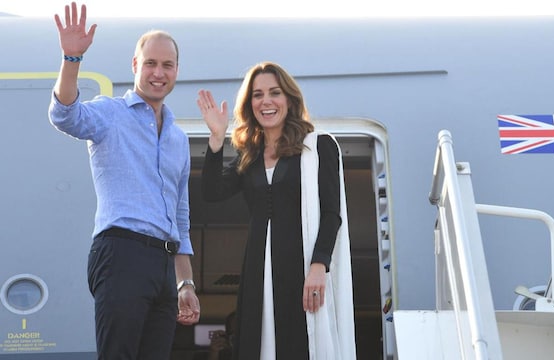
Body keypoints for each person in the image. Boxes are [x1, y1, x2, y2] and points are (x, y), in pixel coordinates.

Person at [48, 3, 200, 359]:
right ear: (135, 66)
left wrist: (186, 284)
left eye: (167, 65)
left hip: (164, 268)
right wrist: (72, 59)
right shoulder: (111, 114)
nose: (158, 72)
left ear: (177, 70)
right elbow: (64, 115)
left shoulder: (178, 138)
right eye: (150, 63)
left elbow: (180, 220)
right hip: (121, 254)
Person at [198, 61, 356, 359]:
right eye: (257, 95)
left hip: (300, 267)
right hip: (258, 271)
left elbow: (332, 214)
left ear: (289, 99)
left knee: (298, 343)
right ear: (250, 104)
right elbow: (211, 192)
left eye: (274, 92)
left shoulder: (318, 147)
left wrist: (318, 266)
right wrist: (217, 140)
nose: (266, 101)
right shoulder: (250, 156)